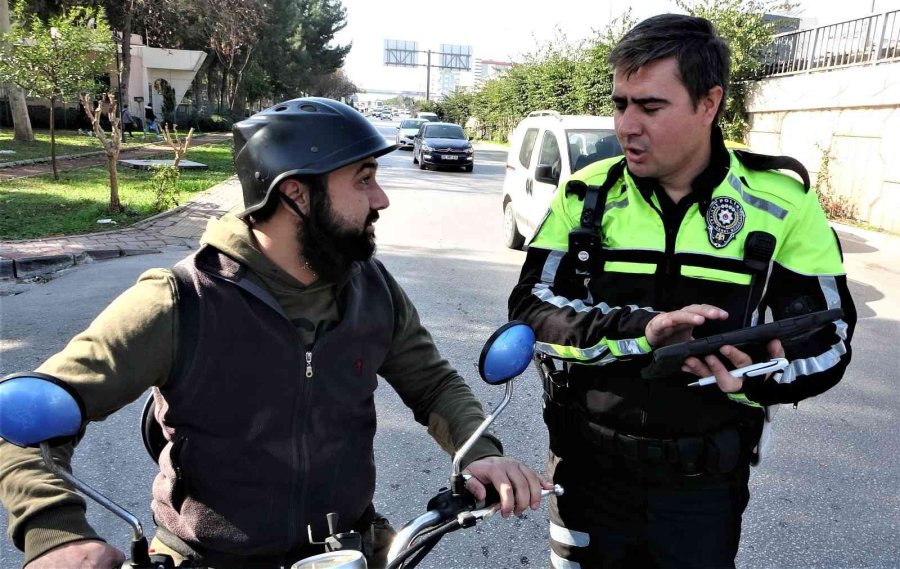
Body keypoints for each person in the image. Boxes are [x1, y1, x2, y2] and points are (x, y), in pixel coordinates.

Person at [0, 97, 551, 569]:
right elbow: (28, 425)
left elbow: (430, 382)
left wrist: (480, 448)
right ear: (295, 195)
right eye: (363, 180)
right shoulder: (179, 301)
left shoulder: (371, 287)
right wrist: (56, 535)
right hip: (205, 557)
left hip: (352, 549)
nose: (381, 199)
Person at [508, 14, 856, 569]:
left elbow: (829, 336)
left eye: (649, 107)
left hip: (703, 487)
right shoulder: (584, 196)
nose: (626, 126)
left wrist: (755, 376)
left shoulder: (780, 203)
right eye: (620, 103)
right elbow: (529, 312)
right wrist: (641, 331)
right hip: (585, 474)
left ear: (709, 102)